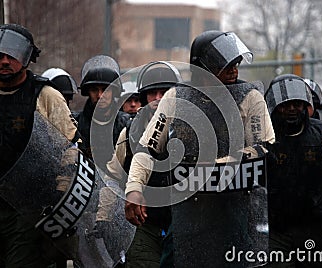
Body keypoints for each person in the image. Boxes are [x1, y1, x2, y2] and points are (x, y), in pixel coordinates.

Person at [124, 30, 275, 267]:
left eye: (235, 64)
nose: (234, 70)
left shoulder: (250, 97)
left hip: (236, 210)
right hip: (189, 212)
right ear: (203, 69)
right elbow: (148, 148)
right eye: (226, 66)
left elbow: (263, 148)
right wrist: (134, 187)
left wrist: (217, 165)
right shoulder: (177, 98)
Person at [0, 23, 80, 267]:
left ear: (26, 58)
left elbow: (71, 149)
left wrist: (60, 196)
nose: (5, 61)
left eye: (11, 55)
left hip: (27, 211)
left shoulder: (46, 96)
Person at [95, 61, 183, 268]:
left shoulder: (190, 130)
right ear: (144, 97)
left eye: (165, 92)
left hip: (184, 224)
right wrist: (103, 217)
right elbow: (113, 176)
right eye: (153, 93)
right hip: (143, 225)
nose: (159, 98)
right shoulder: (129, 133)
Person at [264, 74, 322, 267]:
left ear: (305, 106)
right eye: (285, 105)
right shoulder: (264, 138)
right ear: (274, 107)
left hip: (317, 229)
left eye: (296, 104)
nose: (291, 109)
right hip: (278, 231)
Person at [75, 56, 130, 165]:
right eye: (94, 90)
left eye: (105, 90)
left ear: (114, 92)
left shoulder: (126, 124)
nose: (100, 95)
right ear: (87, 92)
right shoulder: (75, 124)